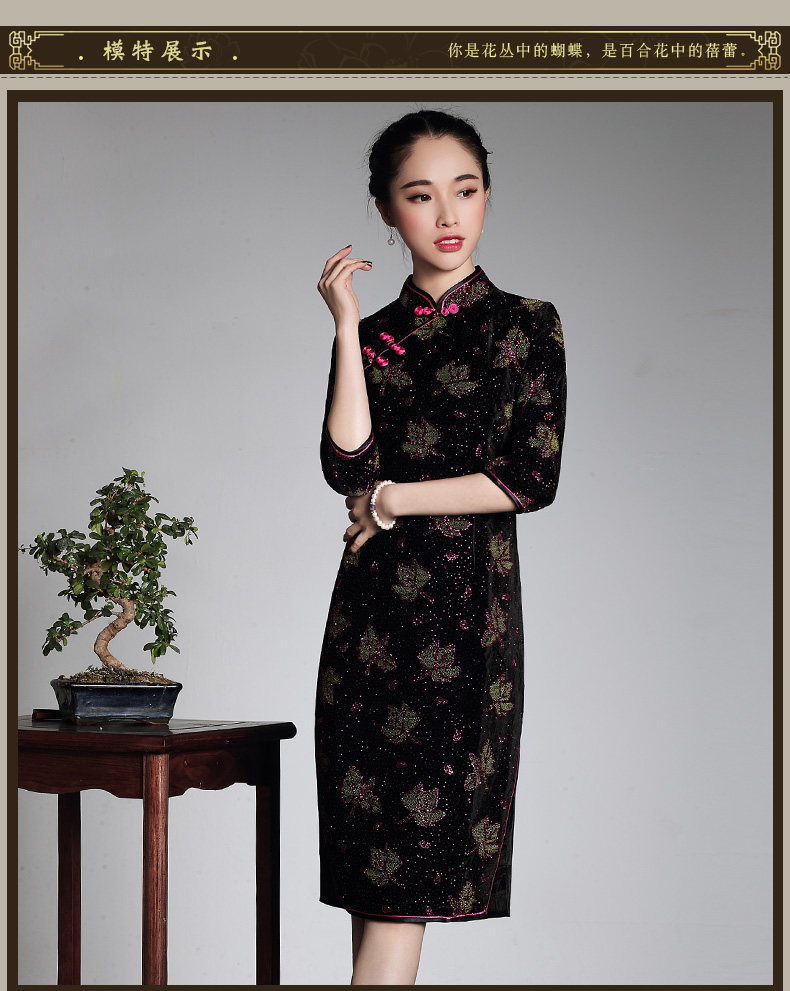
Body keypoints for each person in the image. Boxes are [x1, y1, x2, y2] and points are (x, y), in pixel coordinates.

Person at [315, 108, 567, 985]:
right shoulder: (376, 335)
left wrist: (391, 500)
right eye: (421, 196)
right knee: (372, 887)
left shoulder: (526, 325)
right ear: (388, 209)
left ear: (488, 195)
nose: (448, 214)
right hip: (366, 629)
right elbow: (344, 464)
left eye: (465, 190)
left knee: (401, 894)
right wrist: (345, 326)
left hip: (463, 636)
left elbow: (528, 477)